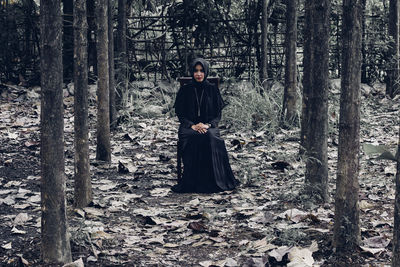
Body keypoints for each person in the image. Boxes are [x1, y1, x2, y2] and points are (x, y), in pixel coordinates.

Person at [172, 58, 238, 193]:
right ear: (192, 72)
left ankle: (214, 181)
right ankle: (192, 182)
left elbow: (217, 115)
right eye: (196, 71)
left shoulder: (212, 89)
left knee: (209, 136)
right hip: (188, 127)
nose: (198, 74)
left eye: (201, 71)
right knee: (194, 137)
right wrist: (192, 125)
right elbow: (180, 113)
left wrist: (208, 125)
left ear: (205, 72)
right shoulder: (185, 90)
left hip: (209, 126)